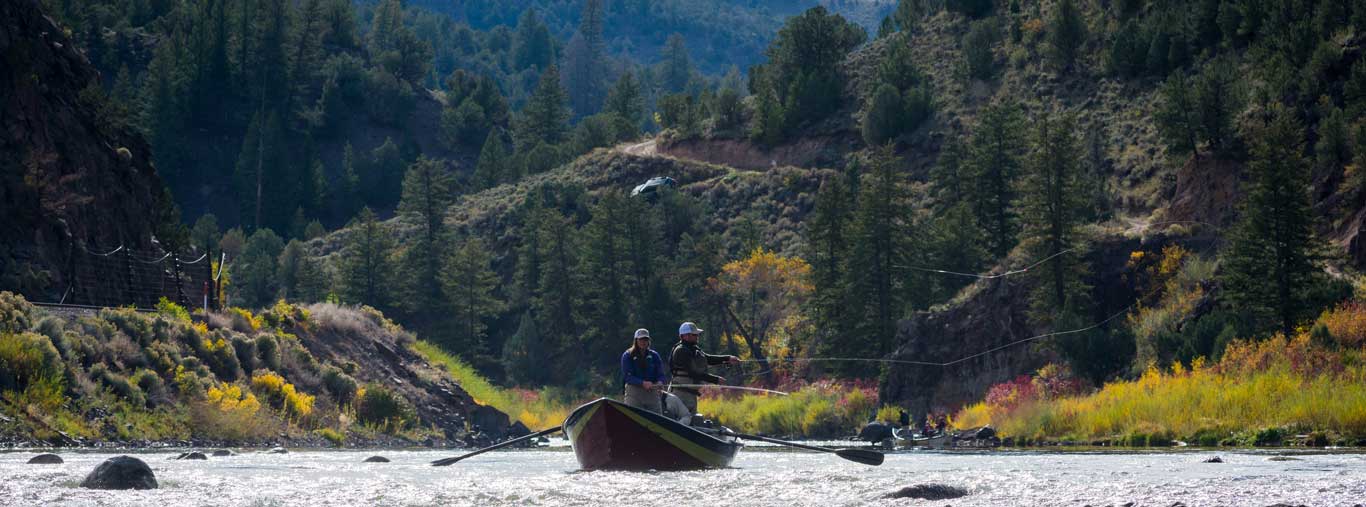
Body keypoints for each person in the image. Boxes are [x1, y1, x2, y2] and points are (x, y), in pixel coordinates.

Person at [668, 321, 738, 415]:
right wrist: (715, 379)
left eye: (697, 334)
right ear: (685, 336)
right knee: (683, 418)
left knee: (691, 419)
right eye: (694, 334)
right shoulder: (681, 351)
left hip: (690, 393)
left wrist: (728, 358)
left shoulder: (694, 349)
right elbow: (693, 373)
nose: (697, 336)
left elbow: (708, 359)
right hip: (680, 393)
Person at [621, 328, 666, 413]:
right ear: (636, 340)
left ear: (649, 341)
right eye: (641, 339)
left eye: (645, 339)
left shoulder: (654, 355)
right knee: (631, 417)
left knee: (657, 418)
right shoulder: (627, 355)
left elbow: (661, 374)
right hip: (634, 393)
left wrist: (660, 382)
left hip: (652, 392)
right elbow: (627, 377)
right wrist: (642, 383)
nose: (643, 342)